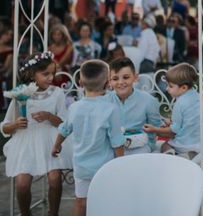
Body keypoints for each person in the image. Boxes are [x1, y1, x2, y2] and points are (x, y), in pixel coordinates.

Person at [2, 51, 72, 216]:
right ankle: (26, 213)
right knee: (22, 184)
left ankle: (52, 213)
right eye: (45, 74)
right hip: (26, 142)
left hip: (51, 141)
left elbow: (64, 123)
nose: (50, 77)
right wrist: (15, 124)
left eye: (52, 74)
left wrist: (48, 116)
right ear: (33, 74)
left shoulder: (57, 93)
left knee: (55, 179)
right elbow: (5, 126)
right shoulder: (21, 94)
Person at [52, 59, 125, 216]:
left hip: (81, 166)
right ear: (107, 83)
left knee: (81, 202)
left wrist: (56, 145)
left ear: (79, 82)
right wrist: (121, 163)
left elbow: (64, 129)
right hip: (104, 167)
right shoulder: (111, 110)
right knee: (106, 202)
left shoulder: (74, 107)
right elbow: (117, 141)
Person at [143, 62, 203, 159]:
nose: (167, 89)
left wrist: (154, 129)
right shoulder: (195, 95)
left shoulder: (180, 103)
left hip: (187, 142)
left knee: (165, 145)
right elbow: (188, 118)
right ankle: (190, 153)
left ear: (183, 88)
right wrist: (171, 121)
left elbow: (174, 130)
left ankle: (172, 157)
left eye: (170, 86)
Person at [108, 57, 162, 155]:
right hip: (112, 148)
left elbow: (155, 127)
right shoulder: (105, 101)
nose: (120, 82)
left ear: (135, 77)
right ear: (109, 81)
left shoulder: (148, 100)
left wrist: (150, 145)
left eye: (126, 77)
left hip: (139, 148)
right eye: (115, 79)